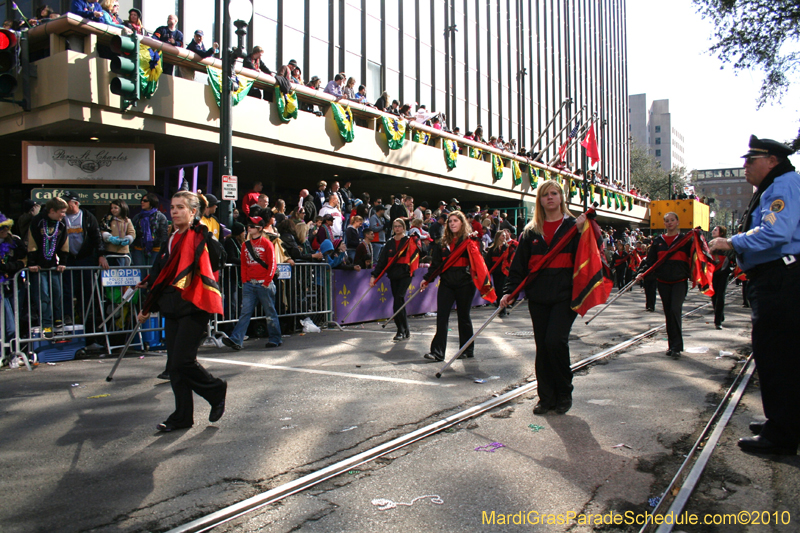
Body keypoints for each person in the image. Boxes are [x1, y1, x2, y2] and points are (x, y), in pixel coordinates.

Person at [709, 135, 800, 456]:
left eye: (751, 160)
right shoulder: (777, 185)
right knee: (780, 353)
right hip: (775, 278)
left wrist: (731, 242)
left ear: (772, 161)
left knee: (777, 354)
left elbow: (776, 231)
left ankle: (782, 434)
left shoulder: (783, 185)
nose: (745, 166)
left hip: (781, 279)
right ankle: (784, 421)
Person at [136, 191, 227, 432]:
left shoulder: (200, 236)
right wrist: (148, 292)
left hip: (195, 304)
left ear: (193, 212)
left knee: (182, 361)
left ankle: (215, 389)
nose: (174, 211)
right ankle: (182, 416)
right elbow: (161, 271)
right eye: (172, 207)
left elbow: (219, 260)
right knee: (175, 367)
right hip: (172, 305)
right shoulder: (171, 238)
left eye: (180, 207)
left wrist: (206, 238)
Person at [500, 180, 588, 415]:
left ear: (561, 198)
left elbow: (589, 255)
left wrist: (581, 232)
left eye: (554, 193)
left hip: (565, 296)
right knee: (542, 346)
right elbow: (518, 266)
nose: (550, 198)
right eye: (545, 195)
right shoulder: (530, 231)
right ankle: (545, 397)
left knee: (555, 341)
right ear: (539, 200)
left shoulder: (574, 226)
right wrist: (509, 291)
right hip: (538, 296)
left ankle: (564, 392)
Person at [420, 210, 492, 361]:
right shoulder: (442, 242)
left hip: (465, 283)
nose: (452, 223)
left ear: (462, 222)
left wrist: (474, 243)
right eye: (450, 221)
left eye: (455, 221)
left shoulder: (471, 240)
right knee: (442, 317)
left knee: (464, 317)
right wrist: (427, 279)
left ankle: (466, 349)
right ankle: (437, 352)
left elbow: (478, 260)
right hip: (446, 283)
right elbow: (437, 264)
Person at [635, 212, 692, 359]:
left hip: (680, 281)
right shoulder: (658, 241)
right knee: (668, 312)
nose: (670, 223)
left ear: (678, 222)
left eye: (672, 220)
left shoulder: (685, 240)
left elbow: (695, 257)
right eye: (666, 221)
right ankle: (671, 345)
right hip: (663, 282)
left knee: (675, 310)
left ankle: (677, 346)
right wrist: (642, 273)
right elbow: (651, 261)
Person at [222, 216, 282, 350]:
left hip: (263, 283)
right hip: (250, 283)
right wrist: (245, 280)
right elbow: (244, 264)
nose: (249, 227)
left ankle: (275, 338)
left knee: (270, 313)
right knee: (245, 312)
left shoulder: (267, 244)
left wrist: (267, 281)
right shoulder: (245, 245)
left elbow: (272, 263)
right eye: (249, 225)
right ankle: (237, 339)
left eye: (252, 226)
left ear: (260, 228)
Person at [61, 191, 108, 325]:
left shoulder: (87, 216)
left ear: (75, 203)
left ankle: (88, 320)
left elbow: (96, 237)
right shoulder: (61, 217)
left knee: (87, 291)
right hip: (68, 258)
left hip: (85, 257)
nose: (64, 204)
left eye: (67, 201)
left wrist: (101, 255)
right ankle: (68, 317)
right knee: (67, 290)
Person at [26, 197, 69, 339]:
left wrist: (63, 261)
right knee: (43, 295)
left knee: (57, 293)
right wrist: (32, 262)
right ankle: (46, 323)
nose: (64, 214)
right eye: (62, 212)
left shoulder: (62, 223)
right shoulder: (37, 221)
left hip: (54, 265)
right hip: (39, 266)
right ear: (52, 211)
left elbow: (64, 243)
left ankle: (58, 319)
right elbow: (32, 242)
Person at [371, 219, 418, 341]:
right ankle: (405, 328)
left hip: (405, 274)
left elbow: (419, 252)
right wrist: (374, 276)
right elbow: (382, 261)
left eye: (399, 226)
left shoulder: (408, 241)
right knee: (399, 301)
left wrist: (416, 241)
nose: (397, 228)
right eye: (395, 226)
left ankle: (400, 330)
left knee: (398, 299)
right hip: (393, 275)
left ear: (403, 228)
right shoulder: (389, 243)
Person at [0, 213, 26, 347]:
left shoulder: (15, 241)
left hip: (14, 285)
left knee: (15, 323)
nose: (5, 231)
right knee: (9, 326)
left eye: (7, 227)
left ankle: (11, 353)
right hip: (1, 289)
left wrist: (7, 267)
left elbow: (24, 261)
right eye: (2, 228)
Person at [131, 193, 169, 267]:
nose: (142, 202)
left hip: (155, 249)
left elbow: (163, 235)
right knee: (141, 272)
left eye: (145, 201)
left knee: (153, 271)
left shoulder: (160, 217)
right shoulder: (138, 217)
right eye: (141, 200)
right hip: (139, 248)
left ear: (152, 202)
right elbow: (133, 232)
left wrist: (152, 242)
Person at [485, 230, 513, 317]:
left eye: (504, 235)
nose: (504, 237)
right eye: (502, 235)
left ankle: (502, 310)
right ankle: (500, 308)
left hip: (504, 272)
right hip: (496, 272)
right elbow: (488, 261)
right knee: (498, 290)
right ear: (498, 237)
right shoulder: (492, 249)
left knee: (502, 290)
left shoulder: (508, 248)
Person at [709, 226, 732, 329]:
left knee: (720, 295)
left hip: (723, 272)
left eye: (715, 230)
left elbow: (731, 255)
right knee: (713, 295)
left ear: (721, 233)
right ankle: (719, 315)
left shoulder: (726, 243)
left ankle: (717, 321)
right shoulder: (709, 244)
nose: (713, 231)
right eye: (713, 229)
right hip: (712, 272)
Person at [100, 200, 135, 266]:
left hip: (124, 252)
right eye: (111, 208)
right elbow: (102, 230)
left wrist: (128, 239)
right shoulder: (107, 219)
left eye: (115, 208)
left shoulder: (127, 221)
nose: (113, 210)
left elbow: (132, 233)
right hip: (110, 251)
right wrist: (109, 238)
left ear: (122, 208)